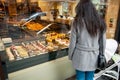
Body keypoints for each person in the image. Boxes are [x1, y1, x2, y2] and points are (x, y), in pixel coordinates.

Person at [68, 0, 106, 80]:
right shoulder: (100, 21)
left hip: (80, 55)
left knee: (80, 77)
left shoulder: (77, 21)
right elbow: (103, 42)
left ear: (80, 9)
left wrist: (70, 55)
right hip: (94, 55)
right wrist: (102, 53)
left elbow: (72, 42)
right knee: (90, 77)